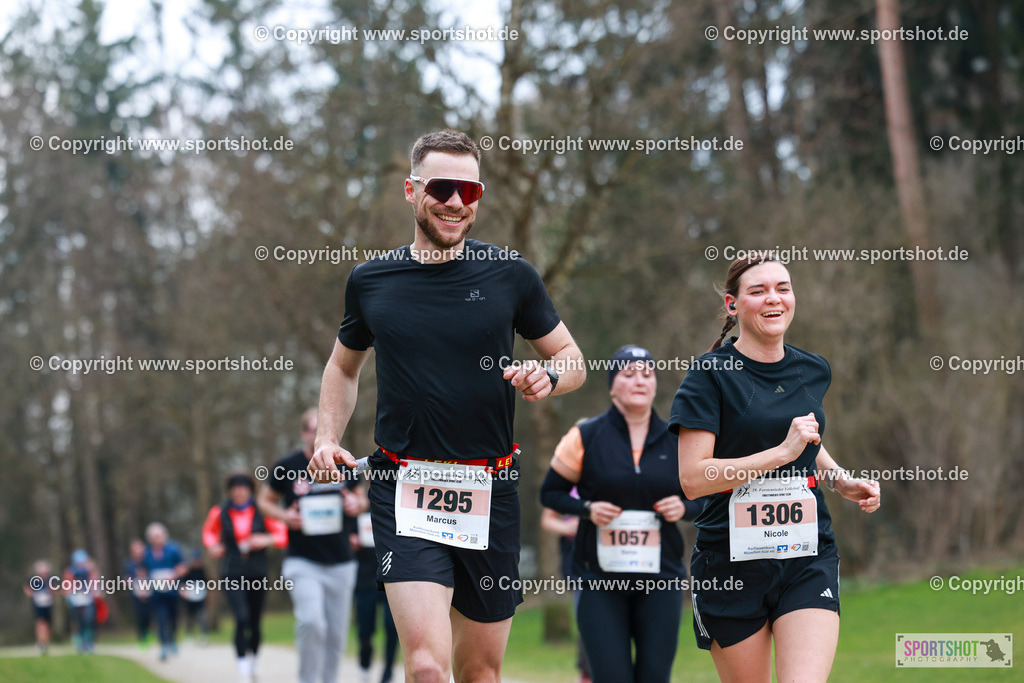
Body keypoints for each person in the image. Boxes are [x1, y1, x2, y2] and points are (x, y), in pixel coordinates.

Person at [307, 128, 586, 683]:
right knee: (427, 668)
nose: (456, 202)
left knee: (480, 673)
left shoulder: (511, 275)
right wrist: (326, 437)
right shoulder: (371, 281)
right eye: (441, 188)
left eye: (470, 191)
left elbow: (572, 359)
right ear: (411, 190)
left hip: (490, 488)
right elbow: (343, 366)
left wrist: (549, 376)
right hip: (403, 487)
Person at [672, 253, 881, 683]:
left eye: (783, 288)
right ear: (732, 304)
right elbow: (693, 480)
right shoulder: (709, 375)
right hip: (730, 564)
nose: (774, 298)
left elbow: (807, 439)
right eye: (758, 290)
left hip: (805, 554)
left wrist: (839, 479)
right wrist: (780, 454)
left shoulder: (812, 369)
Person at [541, 345, 701, 683]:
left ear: (655, 384)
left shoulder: (678, 440)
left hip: (662, 578)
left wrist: (684, 508)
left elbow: (707, 500)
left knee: (654, 676)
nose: (640, 381)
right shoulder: (585, 436)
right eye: (628, 374)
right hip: (599, 580)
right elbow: (550, 494)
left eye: (647, 374)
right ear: (612, 386)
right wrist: (587, 509)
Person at [258, 408, 363, 683]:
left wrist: (356, 504)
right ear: (304, 434)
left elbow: (362, 500)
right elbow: (264, 501)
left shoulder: (345, 462)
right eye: (314, 430)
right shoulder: (287, 466)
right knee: (312, 621)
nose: (320, 435)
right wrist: (285, 516)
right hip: (302, 561)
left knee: (336, 633)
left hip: (342, 561)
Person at [205, 473, 288, 680]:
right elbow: (209, 533)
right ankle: (242, 666)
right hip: (232, 571)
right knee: (241, 618)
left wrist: (266, 539)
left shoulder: (263, 511)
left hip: (257, 571)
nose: (240, 492)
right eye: (235, 488)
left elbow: (282, 535)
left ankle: (254, 662)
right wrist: (213, 546)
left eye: (244, 488)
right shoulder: (219, 512)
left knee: (255, 620)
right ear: (230, 491)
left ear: (250, 490)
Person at [539, 507, 591, 683]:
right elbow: (547, 519)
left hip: (612, 555)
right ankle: (586, 674)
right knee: (585, 617)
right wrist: (567, 527)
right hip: (577, 558)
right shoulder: (567, 491)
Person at [351, 503, 399, 683]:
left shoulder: (396, 508)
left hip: (392, 579)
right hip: (365, 580)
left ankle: (388, 671)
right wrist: (351, 541)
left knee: (392, 626)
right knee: (365, 630)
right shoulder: (357, 510)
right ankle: (365, 663)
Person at [143, 522, 188, 661]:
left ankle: (172, 639)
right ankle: (163, 645)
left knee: (173, 617)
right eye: (154, 537)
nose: (157, 539)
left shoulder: (173, 550)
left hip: (172, 590)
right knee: (161, 618)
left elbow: (183, 567)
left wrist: (173, 576)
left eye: (159, 536)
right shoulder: (147, 553)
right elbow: (144, 571)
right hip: (156, 592)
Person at [64, 549, 98, 653]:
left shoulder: (89, 570)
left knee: (88, 620)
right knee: (78, 621)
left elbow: (94, 582)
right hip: (76, 599)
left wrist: (95, 592)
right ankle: (81, 642)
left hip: (88, 598)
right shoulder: (70, 571)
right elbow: (67, 584)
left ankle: (89, 642)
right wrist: (68, 595)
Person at [24, 560, 57, 655]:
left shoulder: (51, 579)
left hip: (48, 605)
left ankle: (46, 643)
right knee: (40, 623)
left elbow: (55, 590)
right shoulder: (33, 579)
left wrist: (51, 592)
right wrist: (33, 594)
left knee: (48, 625)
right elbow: (27, 589)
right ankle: (41, 642)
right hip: (38, 605)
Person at [124, 539, 152, 648]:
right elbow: (126, 579)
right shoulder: (129, 564)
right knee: (140, 616)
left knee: (148, 616)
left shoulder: (148, 562)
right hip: (136, 594)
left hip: (149, 593)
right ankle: (142, 638)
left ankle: (147, 633)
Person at [178, 550, 211, 646]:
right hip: (189, 599)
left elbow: (207, 584)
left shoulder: (202, 571)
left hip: (200, 598)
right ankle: (189, 637)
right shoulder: (187, 572)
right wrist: (183, 592)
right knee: (189, 619)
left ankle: (203, 636)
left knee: (202, 618)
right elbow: (182, 584)